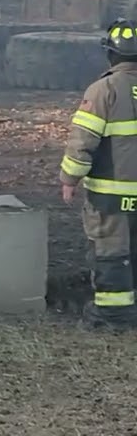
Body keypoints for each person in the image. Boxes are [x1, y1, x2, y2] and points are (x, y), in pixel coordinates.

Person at [60, 20, 137, 328]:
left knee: (112, 252)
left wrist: (69, 179)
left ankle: (113, 315)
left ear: (110, 55)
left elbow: (82, 142)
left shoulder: (103, 90)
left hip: (112, 196)